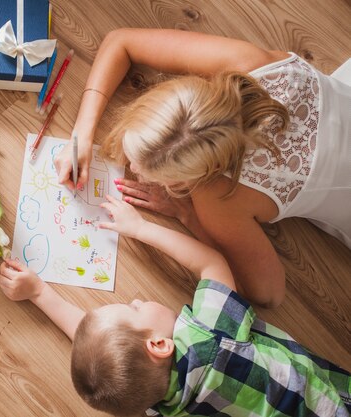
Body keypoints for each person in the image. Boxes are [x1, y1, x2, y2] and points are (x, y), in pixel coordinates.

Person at [53, 29, 351, 308]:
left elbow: (268, 294)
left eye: (141, 169)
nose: (130, 167)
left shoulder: (220, 197)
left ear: (190, 180)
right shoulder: (247, 65)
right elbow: (120, 41)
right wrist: (80, 135)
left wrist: (186, 213)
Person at [0, 195, 351, 417]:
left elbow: (101, 352)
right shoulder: (214, 338)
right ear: (159, 344)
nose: (136, 299)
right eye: (133, 309)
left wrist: (40, 294)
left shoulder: (151, 401)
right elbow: (210, 264)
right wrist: (140, 228)